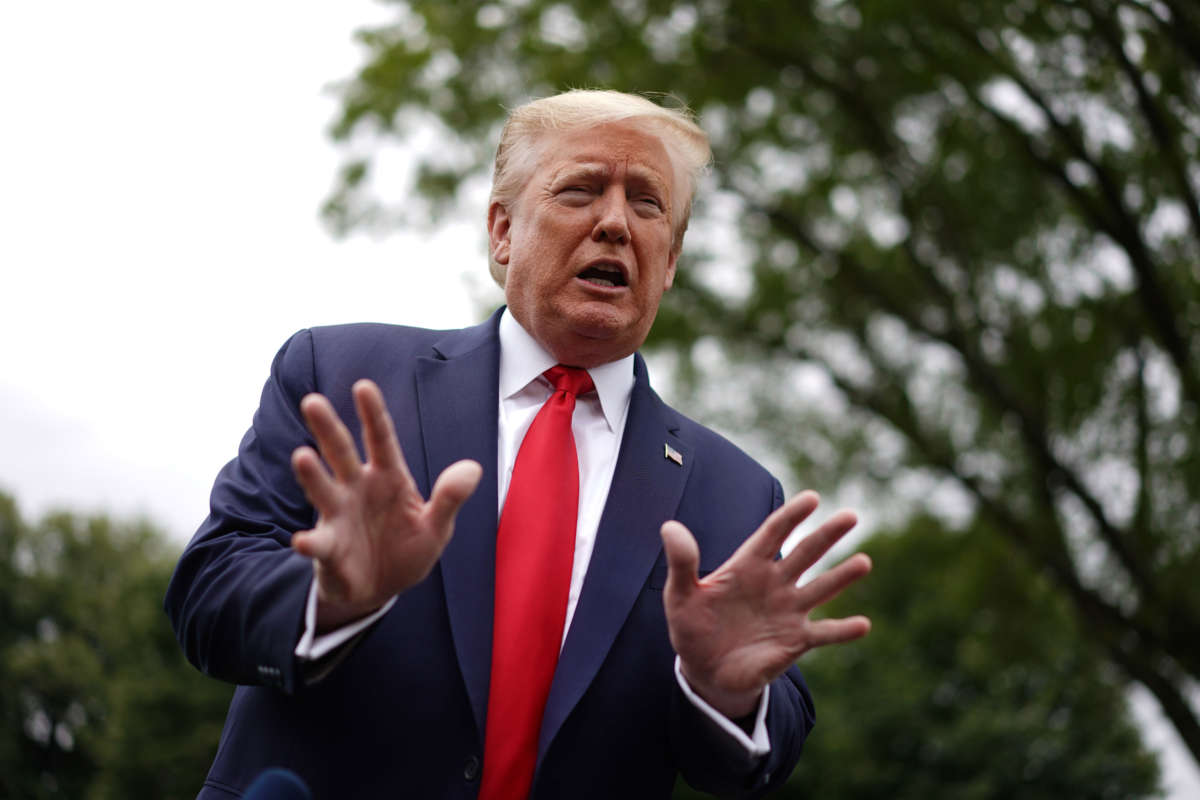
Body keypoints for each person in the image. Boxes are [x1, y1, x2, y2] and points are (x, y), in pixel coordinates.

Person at [165, 89, 872, 799]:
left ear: (671, 261)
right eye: (581, 190)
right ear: (502, 231)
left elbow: (765, 746)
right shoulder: (341, 379)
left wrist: (723, 692)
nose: (616, 223)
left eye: (648, 204)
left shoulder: (735, 492)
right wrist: (330, 598)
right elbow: (206, 593)